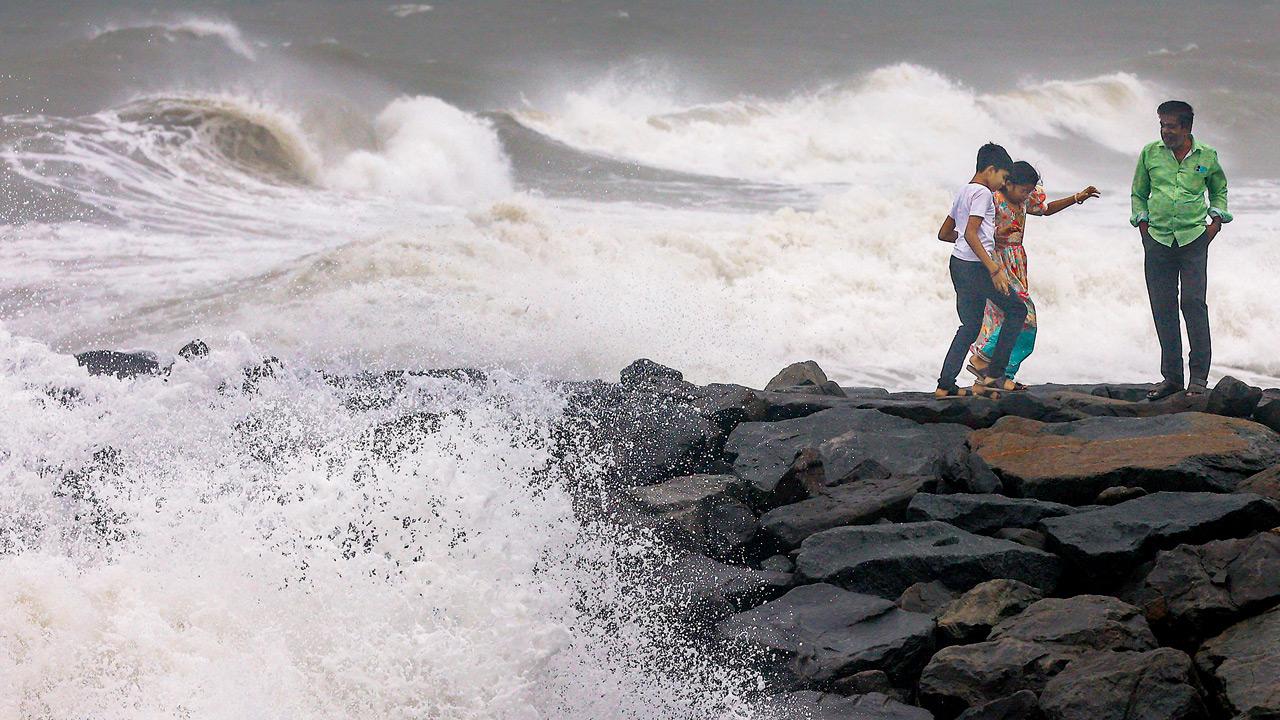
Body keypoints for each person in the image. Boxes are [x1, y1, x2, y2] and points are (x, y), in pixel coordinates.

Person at [1131, 100, 1231, 400]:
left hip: (1193, 239)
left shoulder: (1207, 156)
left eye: (1170, 126)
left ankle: (1198, 378)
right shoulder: (1150, 153)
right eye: (1161, 125)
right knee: (1163, 308)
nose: (1165, 131)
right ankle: (1171, 378)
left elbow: (1219, 189)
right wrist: (1143, 226)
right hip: (1158, 240)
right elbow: (1138, 193)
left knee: (1194, 305)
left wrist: (1216, 221)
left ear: (1186, 127)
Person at [966, 161, 1100, 385]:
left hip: (1017, 261)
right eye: (1023, 190)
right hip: (998, 263)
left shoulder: (1026, 199)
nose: (1026, 195)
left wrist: (1077, 197)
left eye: (1029, 191)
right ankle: (983, 358)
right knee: (1024, 316)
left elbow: (1046, 210)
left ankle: (1000, 377)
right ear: (1008, 183)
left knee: (1010, 319)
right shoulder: (994, 201)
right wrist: (995, 244)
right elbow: (976, 230)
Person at [934, 142, 1025, 398]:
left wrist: (966, 242)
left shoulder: (963, 191)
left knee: (970, 325)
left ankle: (945, 384)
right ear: (991, 169)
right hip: (976, 267)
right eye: (1004, 177)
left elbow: (944, 233)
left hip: (958, 264)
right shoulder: (983, 193)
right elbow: (972, 233)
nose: (1003, 184)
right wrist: (994, 269)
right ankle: (994, 375)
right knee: (1017, 310)